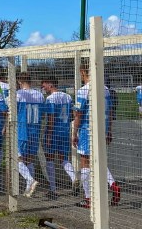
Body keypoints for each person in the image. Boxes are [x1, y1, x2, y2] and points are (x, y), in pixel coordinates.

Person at [72, 63, 122, 208]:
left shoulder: (83, 90)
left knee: (85, 162)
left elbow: (78, 114)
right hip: (103, 129)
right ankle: (113, 185)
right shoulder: (105, 89)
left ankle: (89, 199)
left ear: (83, 72)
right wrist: (109, 131)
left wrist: (74, 133)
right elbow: (111, 112)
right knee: (99, 161)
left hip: (87, 130)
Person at [41, 76, 75, 200]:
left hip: (53, 131)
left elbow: (51, 118)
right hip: (65, 131)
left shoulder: (50, 99)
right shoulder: (68, 97)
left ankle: (53, 189)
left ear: (50, 85)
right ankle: (74, 178)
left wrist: (49, 135)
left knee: (49, 158)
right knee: (63, 159)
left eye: (44, 85)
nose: (43, 87)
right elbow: (72, 115)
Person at [16, 72, 44, 198]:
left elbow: (12, 111)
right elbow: (42, 113)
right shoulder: (39, 94)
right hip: (35, 130)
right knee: (29, 159)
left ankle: (30, 180)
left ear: (19, 82)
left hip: (23, 130)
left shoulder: (18, 94)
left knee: (17, 159)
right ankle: (29, 189)